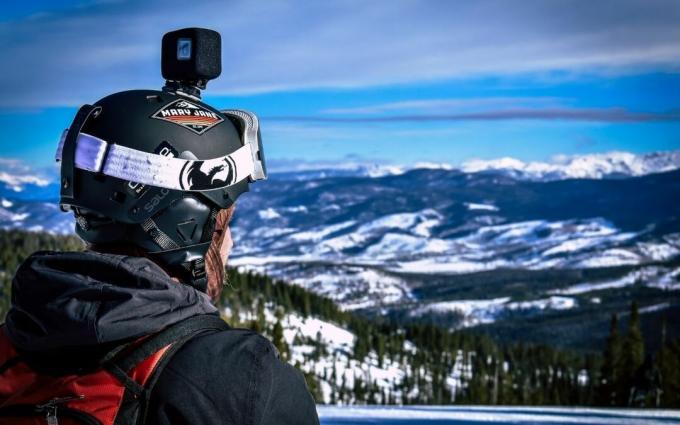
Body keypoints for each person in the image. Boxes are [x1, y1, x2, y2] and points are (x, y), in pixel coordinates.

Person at [0, 28, 320, 425]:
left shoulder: (12, 347)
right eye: (225, 220)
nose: (231, 244)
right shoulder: (240, 379)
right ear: (189, 223)